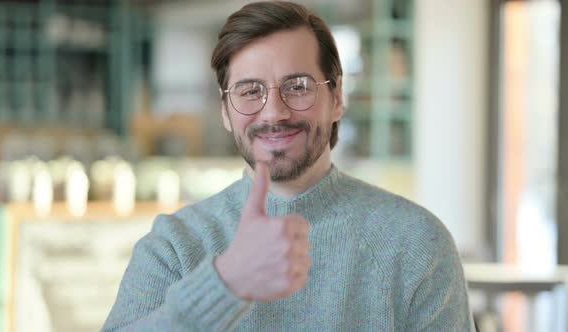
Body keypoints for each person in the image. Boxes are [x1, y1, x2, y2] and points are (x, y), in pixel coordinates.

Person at [103, 1, 474, 331]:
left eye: (297, 86)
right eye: (250, 91)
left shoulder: (416, 243)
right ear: (225, 112)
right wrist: (226, 284)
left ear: (337, 97)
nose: (274, 112)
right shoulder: (175, 246)